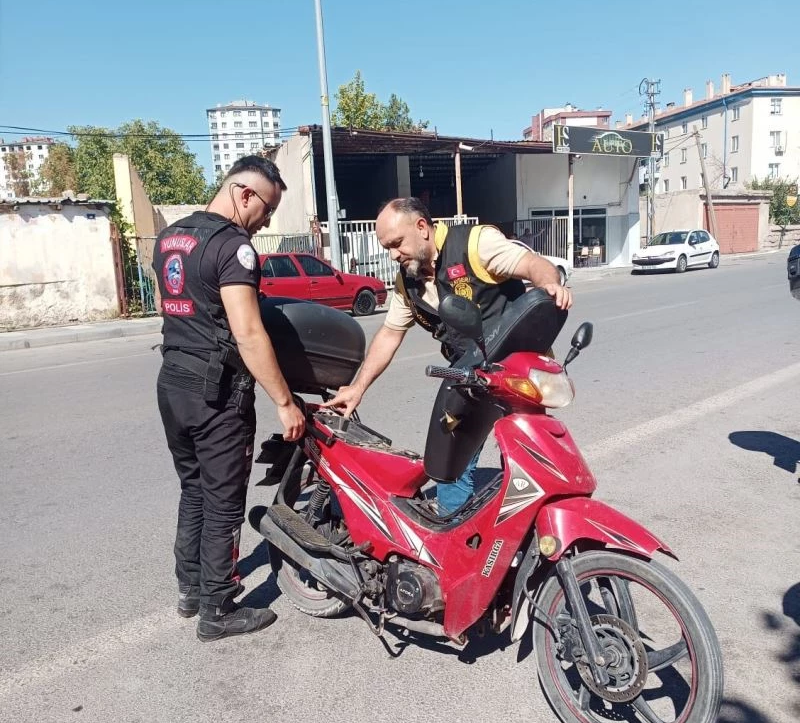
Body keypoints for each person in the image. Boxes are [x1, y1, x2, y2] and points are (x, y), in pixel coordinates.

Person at [327, 197, 572, 513]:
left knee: (529, 460)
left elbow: (532, 264)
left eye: (397, 243)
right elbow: (389, 334)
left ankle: (535, 530)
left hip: (517, 376)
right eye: (387, 247)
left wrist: (549, 285)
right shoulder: (408, 283)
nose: (392, 255)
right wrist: (357, 388)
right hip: (469, 375)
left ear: (422, 227)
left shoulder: (475, 244)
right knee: (450, 459)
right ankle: (458, 542)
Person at [153, 155, 305, 642]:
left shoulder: (170, 237)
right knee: (222, 502)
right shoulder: (233, 247)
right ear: (244, 194)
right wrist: (284, 402)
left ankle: (191, 589)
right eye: (267, 209)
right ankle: (218, 609)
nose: (265, 223)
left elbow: (168, 305)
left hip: (172, 382)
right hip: (215, 394)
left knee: (193, 489)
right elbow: (249, 332)